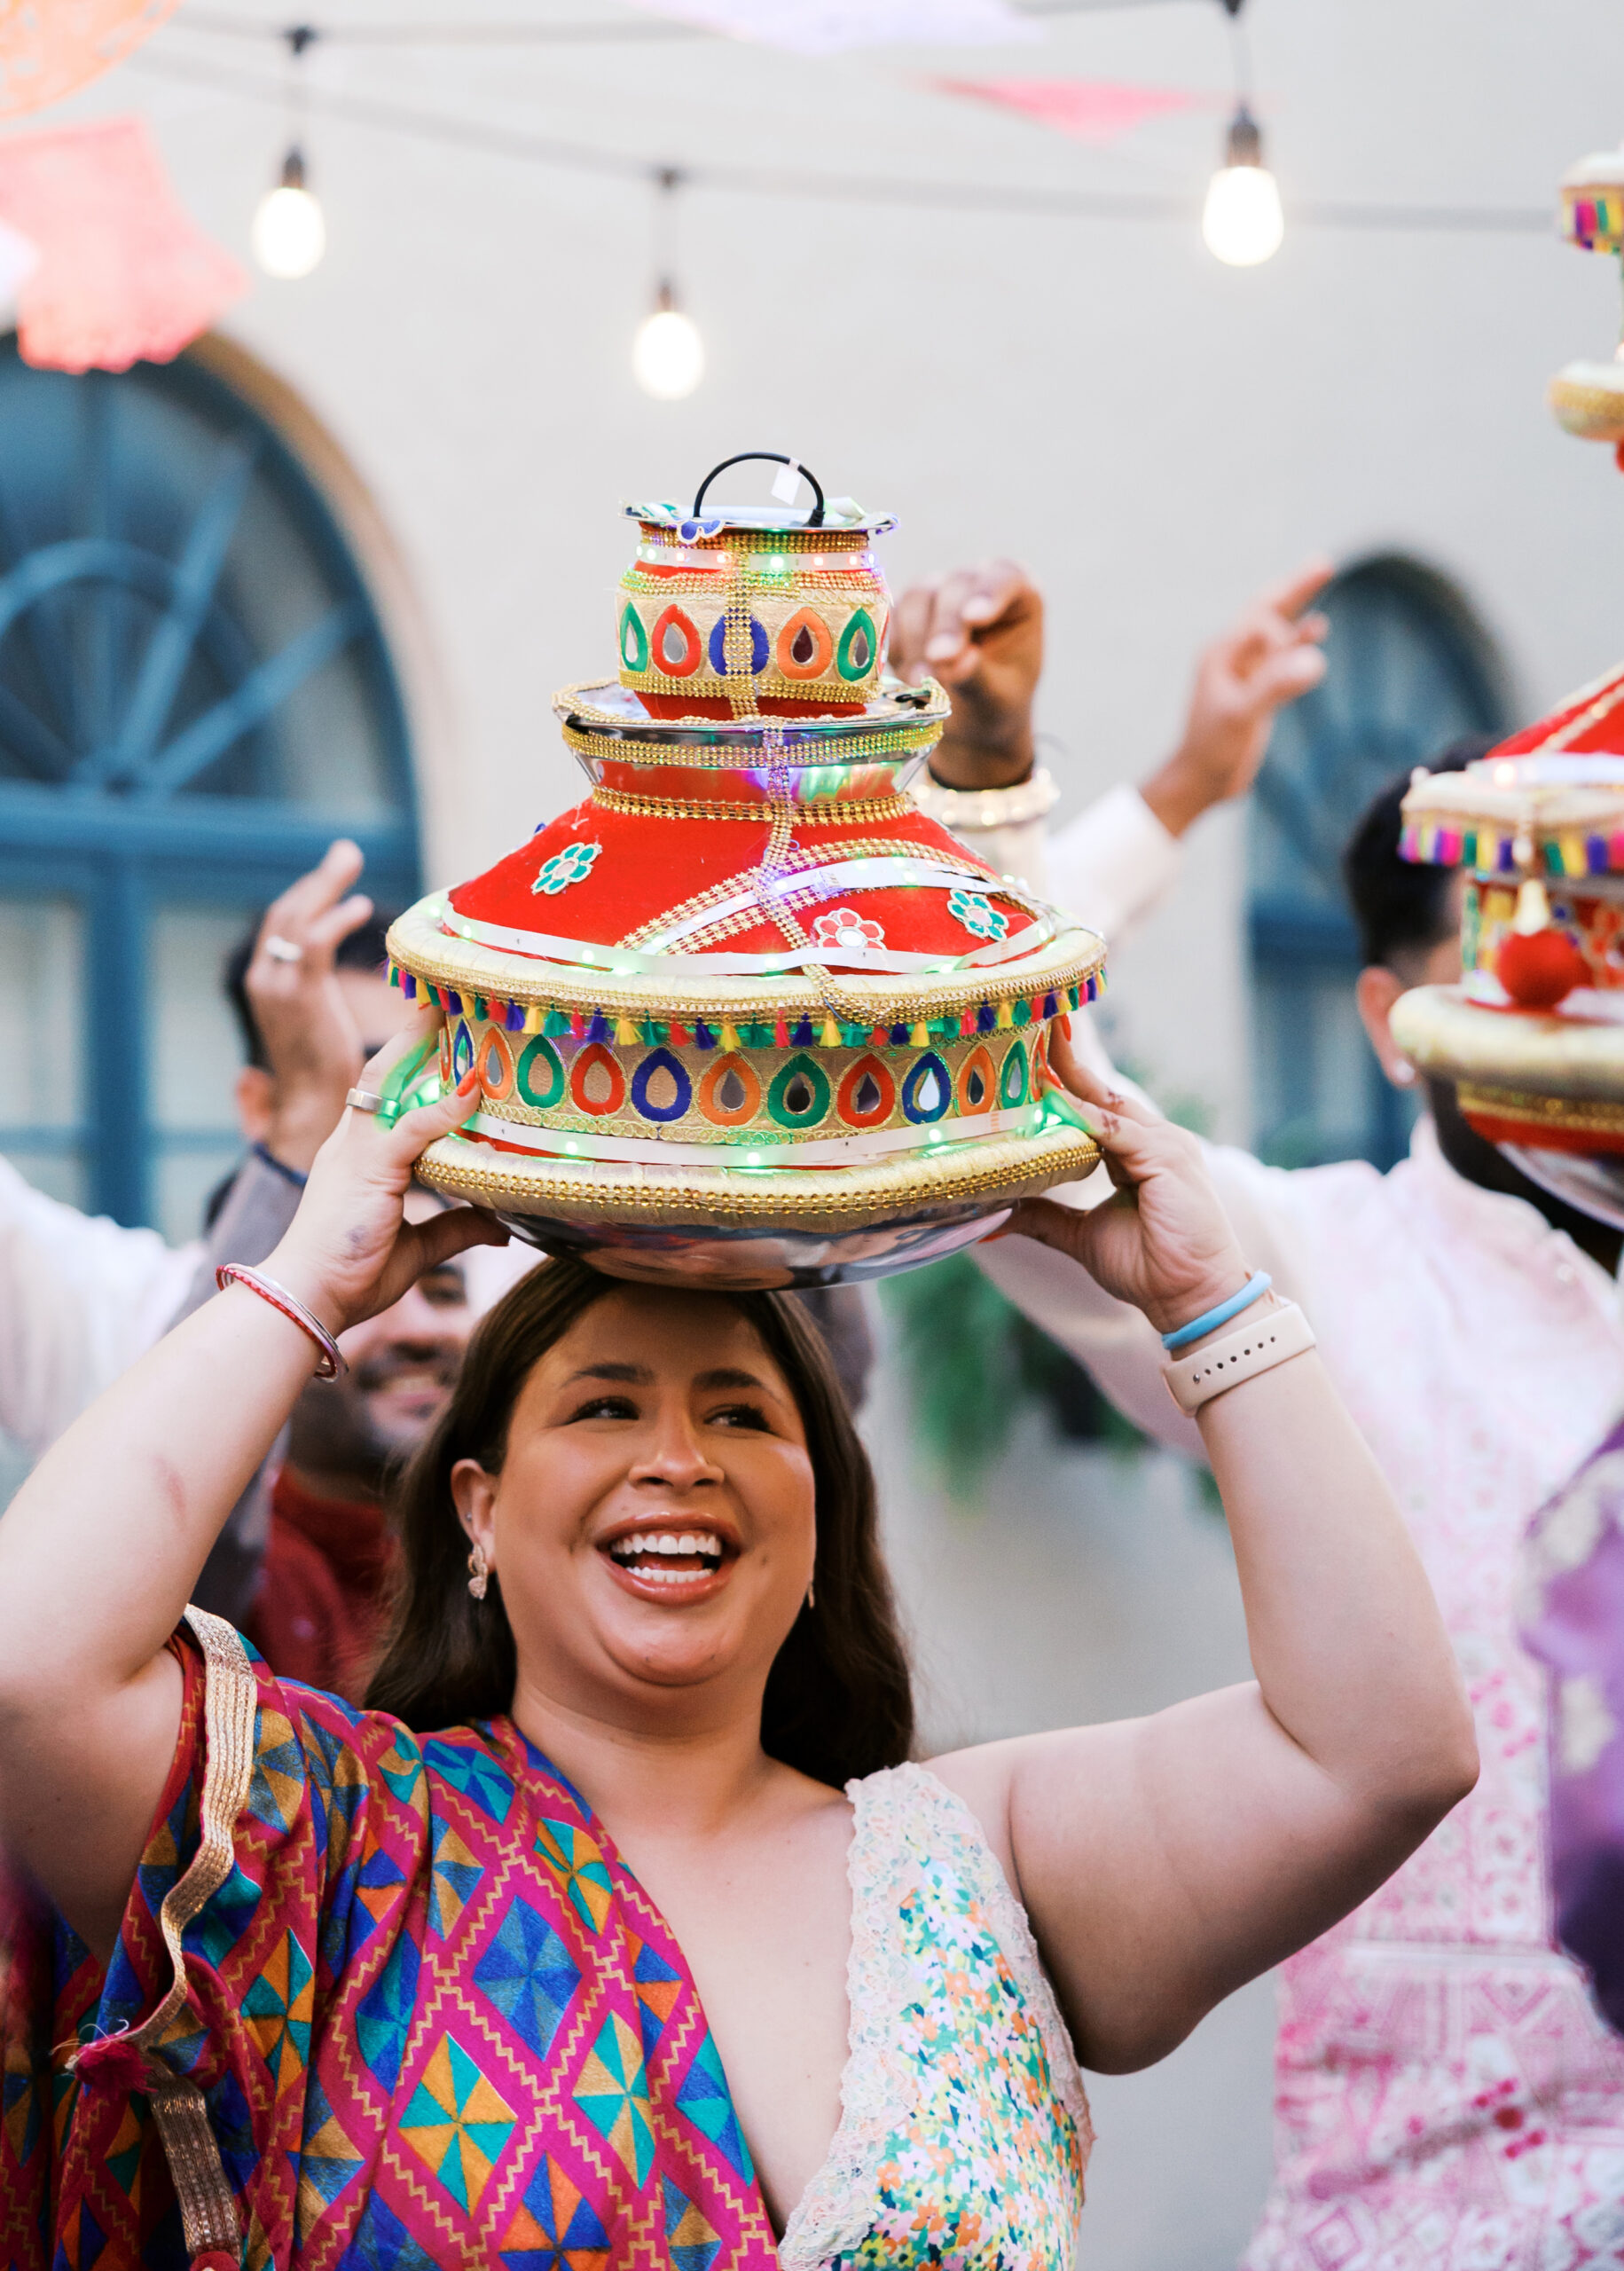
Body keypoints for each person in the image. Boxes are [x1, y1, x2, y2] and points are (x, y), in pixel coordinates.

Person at [0, 1009, 1475, 2269]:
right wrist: (307, 1284)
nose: (678, 1458)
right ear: (480, 1512)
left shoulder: (979, 1857)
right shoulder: (336, 1845)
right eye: (603, 1406)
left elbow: (1379, 1752)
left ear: (822, 1513)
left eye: (741, 1415)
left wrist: (1205, 1297)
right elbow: (31, 1672)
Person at [957, 656, 1624, 2259]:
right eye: (1555, 946)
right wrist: (996, 804)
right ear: (1403, 1021)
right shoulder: (1318, 1263)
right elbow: (1015, 1111)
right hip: (1421, 2205)